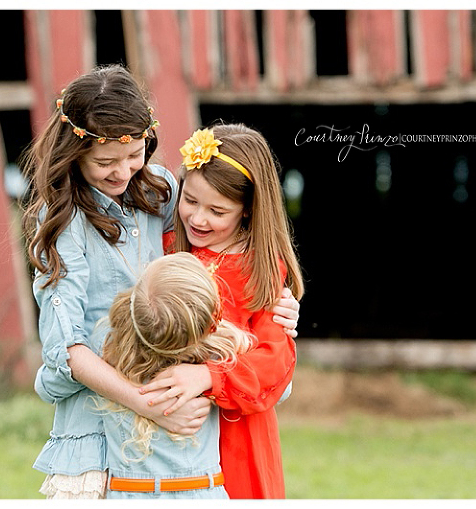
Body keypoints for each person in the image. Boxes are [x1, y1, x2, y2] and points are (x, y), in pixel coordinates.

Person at [21, 64, 300, 499]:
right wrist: (148, 404)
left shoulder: (161, 194)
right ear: (73, 153)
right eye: (104, 162)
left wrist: (271, 304)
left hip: (183, 420)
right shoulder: (62, 222)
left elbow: (211, 262)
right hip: (103, 420)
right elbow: (65, 350)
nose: (122, 172)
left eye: (134, 155)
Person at [140, 124, 305, 498]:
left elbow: (274, 362)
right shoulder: (165, 251)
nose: (198, 219)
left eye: (217, 210)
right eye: (190, 200)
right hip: (167, 422)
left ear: (247, 211)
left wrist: (207, 376)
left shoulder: (259, 270)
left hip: (237, 435)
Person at [96, 252, 251, 498]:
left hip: (129, 492)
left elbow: (48, 383)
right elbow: (280, 388)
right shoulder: (222, 353)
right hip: (203, 492)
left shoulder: (110, 356)